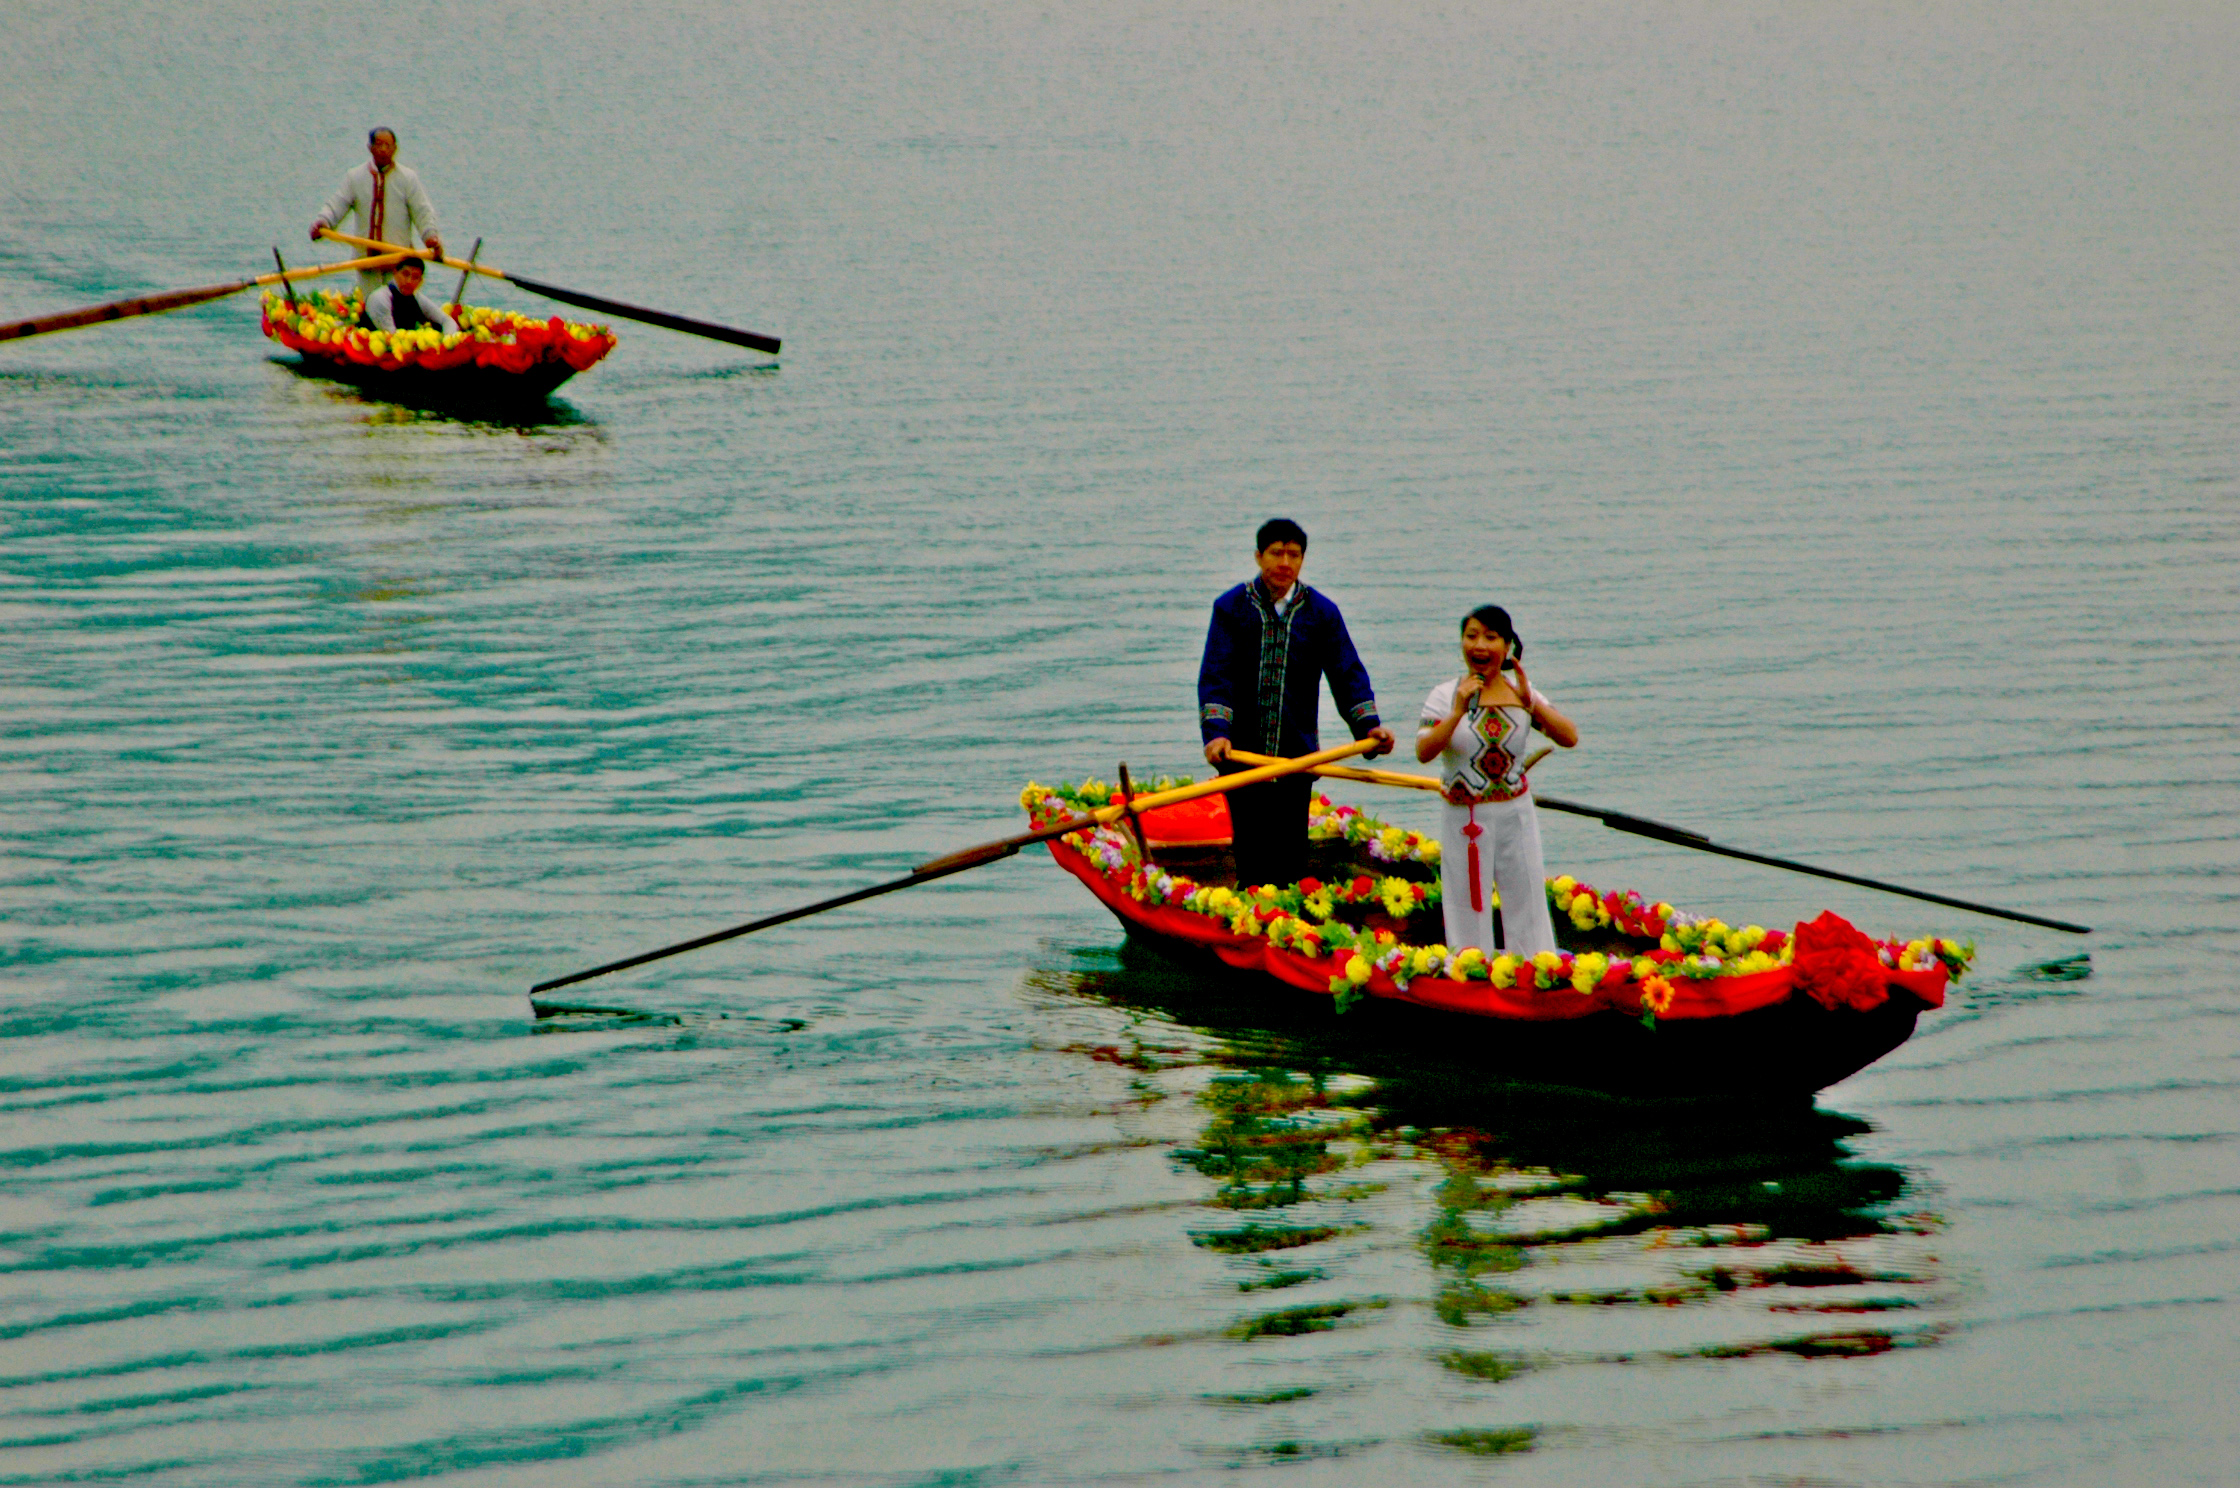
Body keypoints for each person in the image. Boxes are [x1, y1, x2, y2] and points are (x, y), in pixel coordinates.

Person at [1199, 519, 1395, 889]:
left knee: (1291, 855)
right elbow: (1216, 676)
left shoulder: (1321, 612)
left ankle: (1286, 921)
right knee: (1251, 852)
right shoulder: (1230, 608)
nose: (1285, 562)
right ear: (1259, 556)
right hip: (1242, 756)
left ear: (1303, 560)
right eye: (1276, 553)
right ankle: (1251, 915)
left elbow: (1347, 673)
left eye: (1294, 554)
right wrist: (1216, 734)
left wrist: (1369, 728)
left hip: (1297, 757)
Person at [1415, 605, 1578, 956]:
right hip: (1465, 818)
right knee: (1466, 901)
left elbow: (1568, 737)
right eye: (1471, 636)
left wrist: (1531, 703)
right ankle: (1471, 968)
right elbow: (1424, 751)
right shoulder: (1445, 695)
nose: (1480, 645)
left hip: (1515, 813)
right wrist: (1457, 711)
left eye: (1491, 637)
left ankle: (1535, 968)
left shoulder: (1522, 693)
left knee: (1527, 897)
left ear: (1507, 647)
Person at [311, 127, 444, 300]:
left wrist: (430, 237)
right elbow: (338, 203)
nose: (383, 150)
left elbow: (422, 212)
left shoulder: (407, 179)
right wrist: (323, 222)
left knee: (398, 306)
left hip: (398, 262)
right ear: (370, 148)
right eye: (379, 145)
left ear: (395, 149)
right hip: (366, 262)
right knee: (372, 304)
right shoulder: (355, 177)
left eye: (387, 146)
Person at [364, 257, 459, 336]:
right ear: (395, 272)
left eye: (415, 277)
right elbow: (391, 336)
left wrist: (447, 340)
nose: (409, 281)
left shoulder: (417, 298)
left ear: (420, 281)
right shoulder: (380, 298)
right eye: (405, 274)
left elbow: (446, 321)